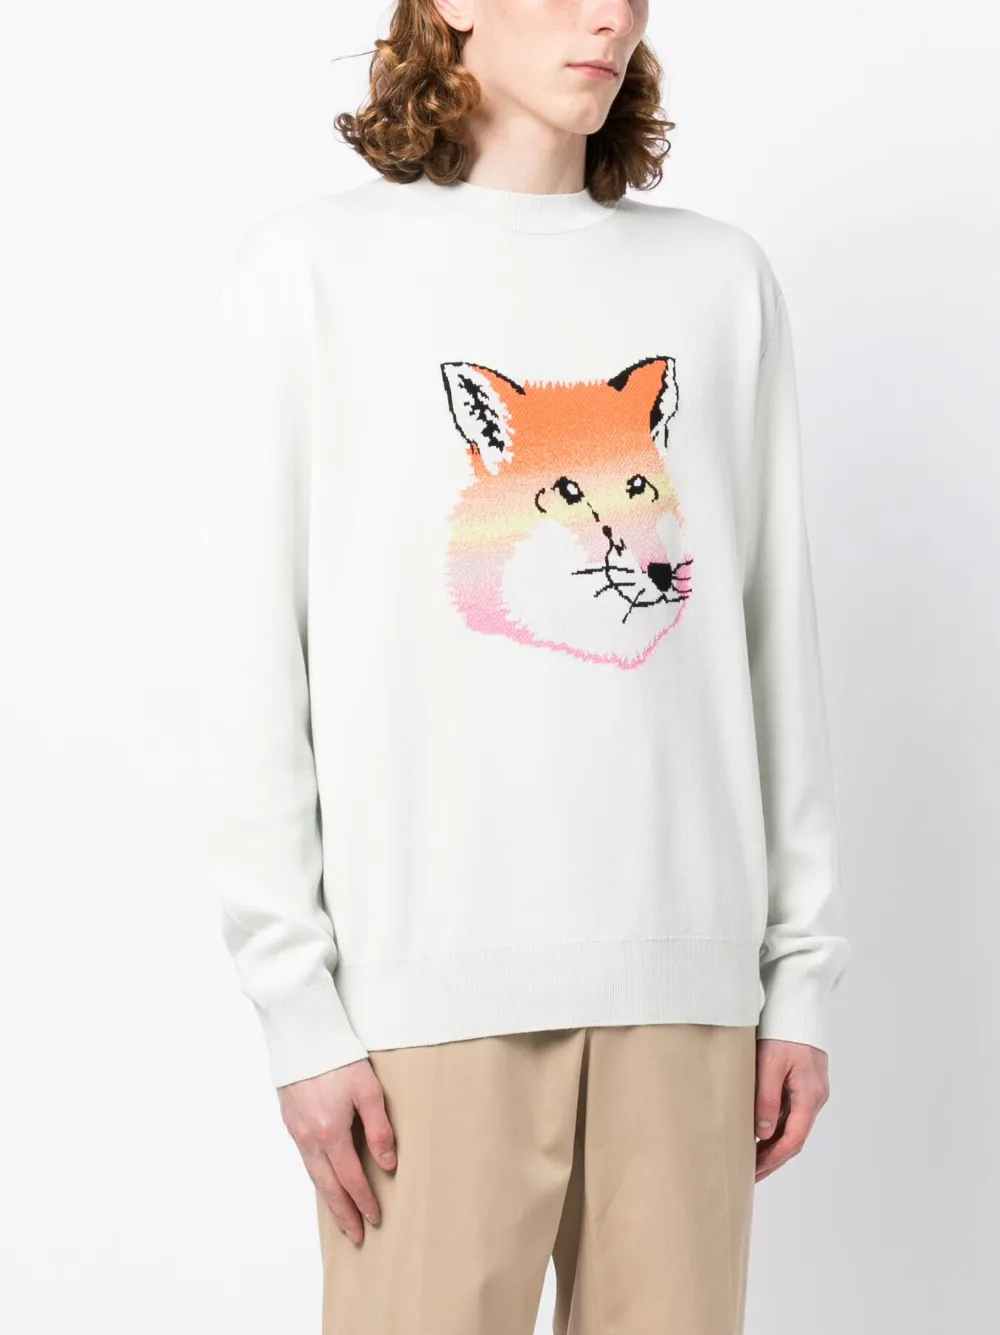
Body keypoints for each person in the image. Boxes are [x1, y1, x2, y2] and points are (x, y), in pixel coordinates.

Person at [196, 2, 851, 1331]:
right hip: (423, 1000)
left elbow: (773, 642)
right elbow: (256, 660)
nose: (610, 14)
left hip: (688, 994)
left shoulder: (719, 283)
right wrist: (298, 1007)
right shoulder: (310, 272)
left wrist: (800, 980)